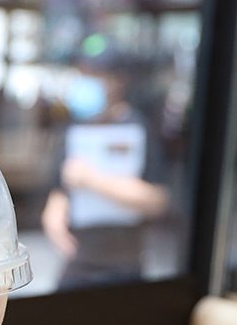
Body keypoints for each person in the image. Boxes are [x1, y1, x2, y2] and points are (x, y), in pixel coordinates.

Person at [41, 51, 169, 287]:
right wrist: (55, 222)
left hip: (125, 265)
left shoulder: (139, 129)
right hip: (80, 263)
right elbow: (58, 192)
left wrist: (92, 180)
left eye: (96, 75)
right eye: (84, 75)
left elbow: (156, 201)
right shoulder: (73, 130)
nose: (87, 82)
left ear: (118, 80)